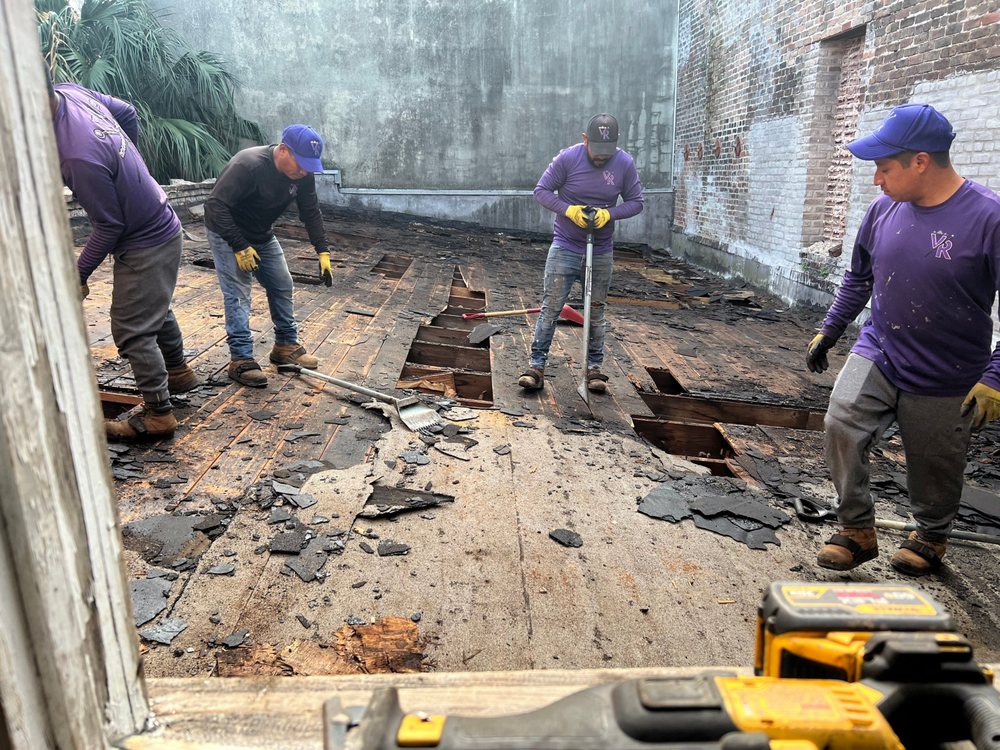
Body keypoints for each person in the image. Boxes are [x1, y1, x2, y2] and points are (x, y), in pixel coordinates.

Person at [807, 103, 1000, 576]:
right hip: (881, 347)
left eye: (884, 167)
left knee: (934, 462)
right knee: (841, 423)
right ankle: (856, 529)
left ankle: (931, 536)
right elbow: (859, 277)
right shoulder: (882, 209)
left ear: (921, 160)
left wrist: (996, 375)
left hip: (950, 367)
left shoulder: (988, 218)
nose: (877, 179)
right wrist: (830, 329)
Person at [49, 74, 197, 442]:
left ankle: (159, 414)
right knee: (151, 307)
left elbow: (108, 225)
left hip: (144, 239)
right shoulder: (70, 91)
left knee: (131, 329)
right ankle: (178, 373)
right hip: (161, 223)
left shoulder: (77, 155)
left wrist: (78, 274)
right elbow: (127, 111)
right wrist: (129, 162)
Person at [520, 113, 644, 393]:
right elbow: (541, 191)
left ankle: (594, 369)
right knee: (551, 307)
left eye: (607, 152)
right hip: (565, 246)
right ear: (585, 139)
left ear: (616, 143)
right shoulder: (567, 159)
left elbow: (636, 202)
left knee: (596, 312)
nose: (601, 158)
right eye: (596, 150)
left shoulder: (624, 163)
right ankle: (536, 366)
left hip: (600, 251)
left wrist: (608, 214)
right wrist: (569, 210)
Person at [204, 125, 333, 387]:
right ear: (283, 150)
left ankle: (285, 346)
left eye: (309, 166)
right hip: (228, 232)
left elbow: (310, 212)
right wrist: (239, 245)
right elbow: (215, 206)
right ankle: (241, 360)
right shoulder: (248, 165)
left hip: (262, 234)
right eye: (301, 163)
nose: (304, 171)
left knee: (282, 284)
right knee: (239, 294)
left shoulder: (302, 175)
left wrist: (323, 250)